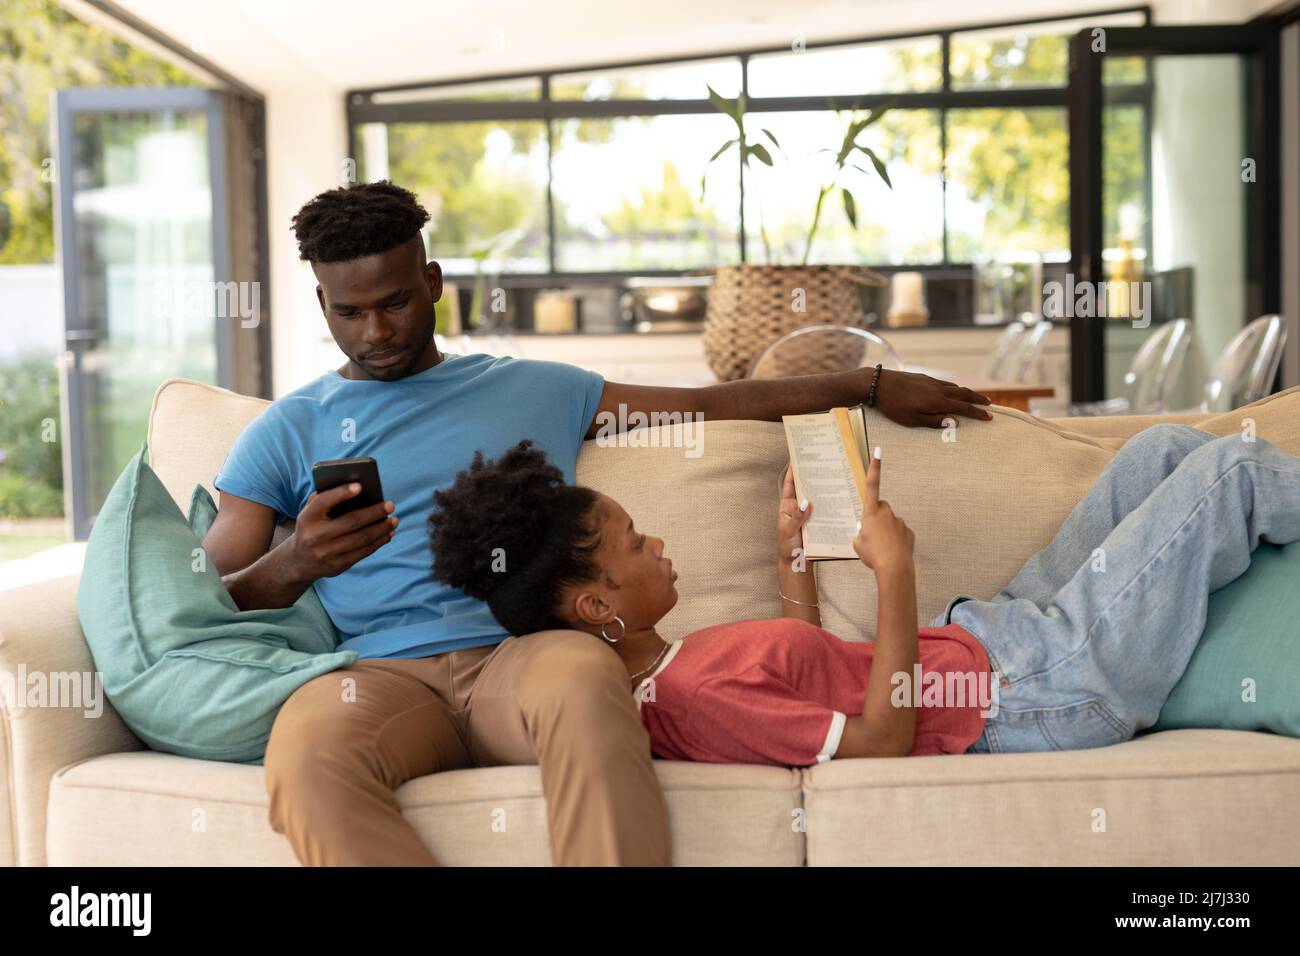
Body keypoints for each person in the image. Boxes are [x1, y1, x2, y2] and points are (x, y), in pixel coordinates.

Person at [200, 179, 994, 865]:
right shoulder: (287, 429)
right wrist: (296, 561)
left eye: (396, 301)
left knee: (586, 678)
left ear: (434, 281)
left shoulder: (534, 388)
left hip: (522, 657)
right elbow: (202, 600)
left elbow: (708, 404)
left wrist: (868, 381)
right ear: (321, 305)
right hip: (377, 678)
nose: (375, 332)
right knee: (305, 757)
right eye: (350, 311)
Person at [428, 425, 1300, 764]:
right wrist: (893, 571)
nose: (657, 542)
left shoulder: (672, 667)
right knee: (1229, 473)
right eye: (633, 543)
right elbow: (881, 739)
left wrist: (790, 567)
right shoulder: (692, 699)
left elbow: (811, 670)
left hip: (995, 637)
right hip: (1034, 693)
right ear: (595, 607)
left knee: (1157, 452)